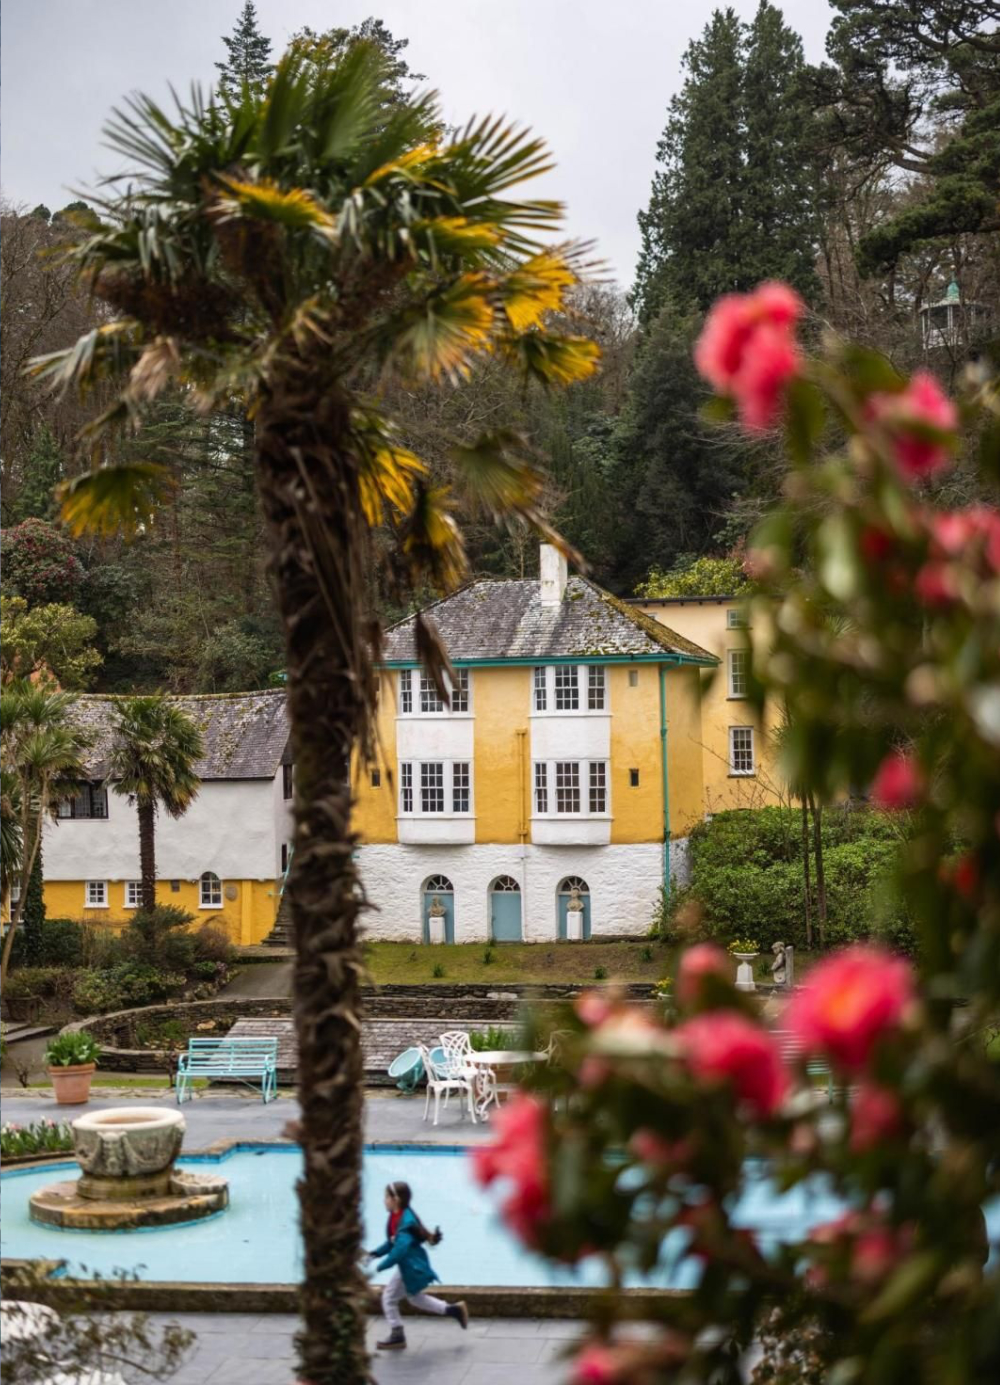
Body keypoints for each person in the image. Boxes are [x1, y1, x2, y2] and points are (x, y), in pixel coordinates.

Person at [367, 1180, 469, 1350]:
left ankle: (397, 1334)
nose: (384, 1200)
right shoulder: (396, 1215)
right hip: (408, 1266)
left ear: (396, 1199)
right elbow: (392, 1242)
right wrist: (375, 1253)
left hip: (410, 1267)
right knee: (415, 1298)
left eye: (386, 1197)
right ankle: (454, 1310)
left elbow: (399, 1249)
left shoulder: (405, 1221)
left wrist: (381, 1266)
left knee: (388, 1298)